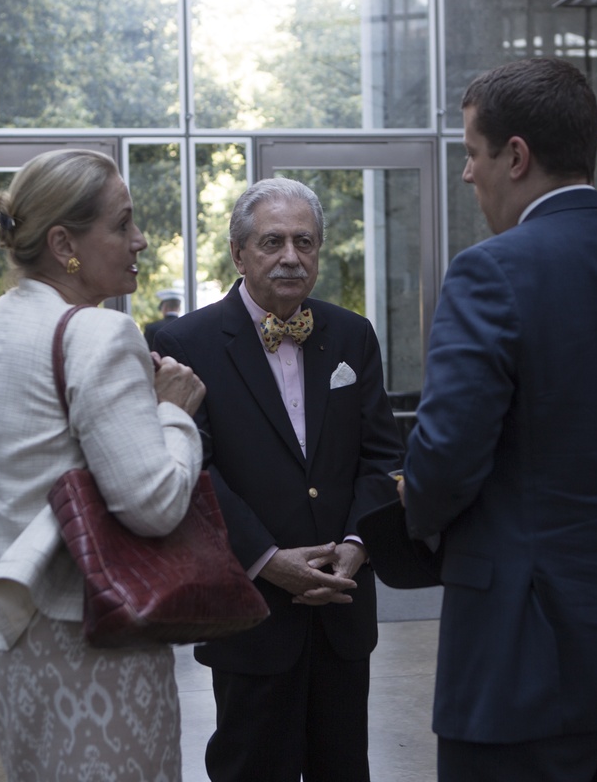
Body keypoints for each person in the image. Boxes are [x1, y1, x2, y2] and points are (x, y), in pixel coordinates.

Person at [399, 58, 597, 782]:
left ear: (514, 156)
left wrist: (415, 516)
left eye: (471, 154)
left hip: (520, 660)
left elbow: (447, 456)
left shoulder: (490, 273)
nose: (465, 175)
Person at [0, 148, 206, 782]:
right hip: (101, 633)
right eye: (122, 224)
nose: (139, 240)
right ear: (64, 243)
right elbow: (155, 502)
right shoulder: (100, 335)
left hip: (14, 631)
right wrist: (176, 415)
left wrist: (21, 565)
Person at [154, 177, 402, 782]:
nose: (291, 256)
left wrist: (356, 545)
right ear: (239, 254)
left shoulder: (352, 335)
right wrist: (265, 558)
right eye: (272, 242)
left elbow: (381, 456)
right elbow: (194, 470)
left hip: (342, 609)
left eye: (305, 242)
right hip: (249, 611)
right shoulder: (182, 343)